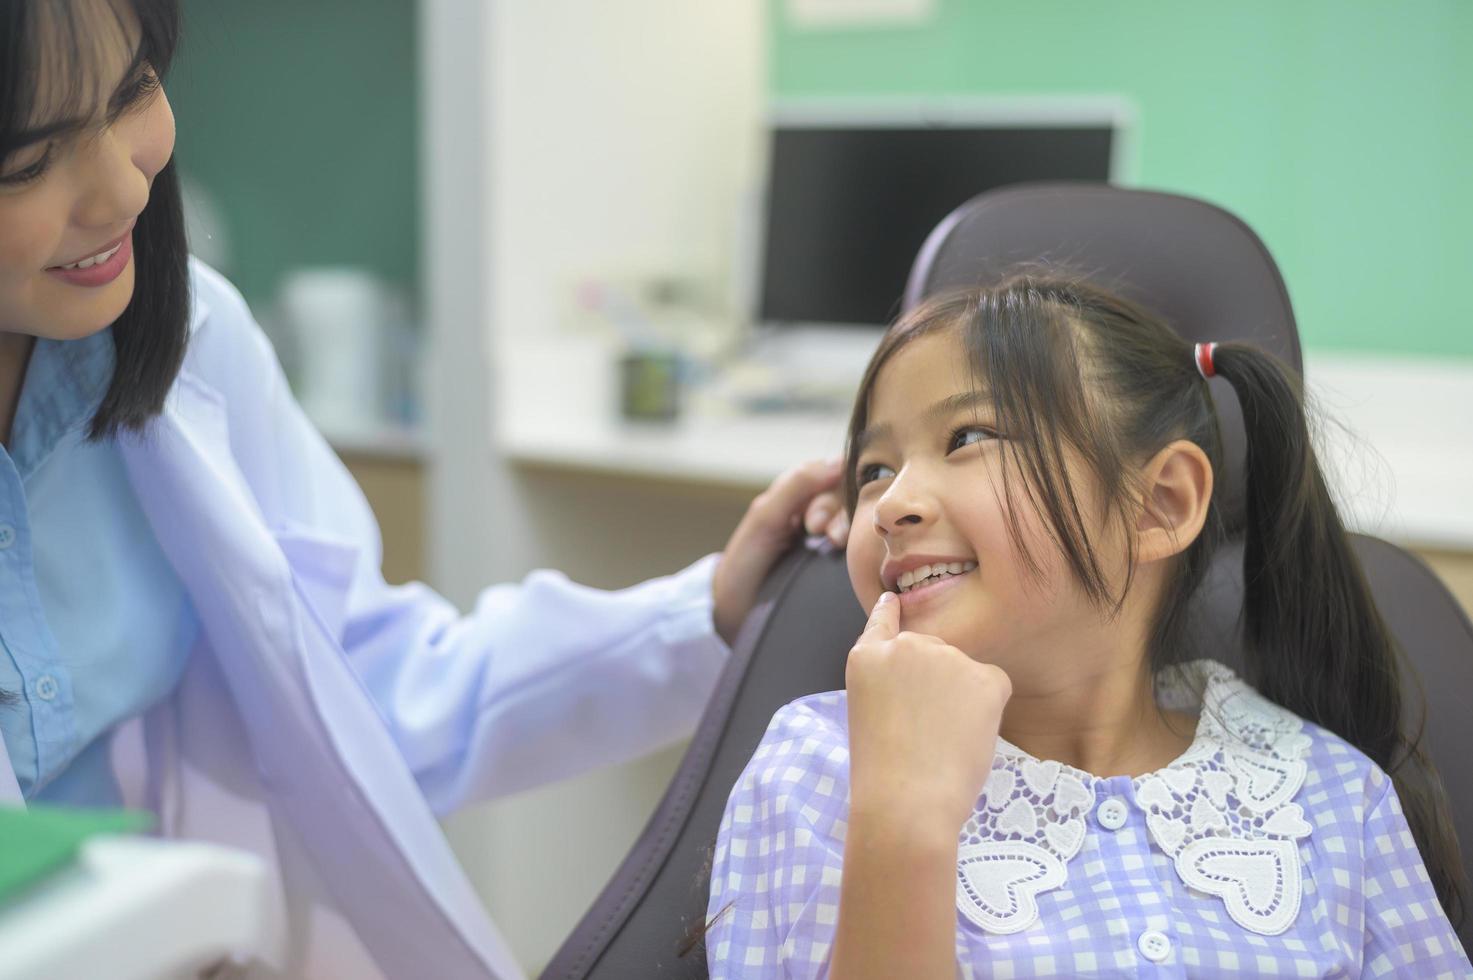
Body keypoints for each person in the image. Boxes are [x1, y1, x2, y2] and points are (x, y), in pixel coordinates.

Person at [0, 0, 848, 975]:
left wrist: (711, 611)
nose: (119, 189)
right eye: (29, 160)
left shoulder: (188, 342)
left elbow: (367, 689)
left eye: (134, 90)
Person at [706, 275, 1471, 977]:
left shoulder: (1331, 795)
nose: (892, 501)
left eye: (967, 438)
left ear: (1158, 504)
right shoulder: (816, 776)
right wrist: (903, 817)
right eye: (872, 470)